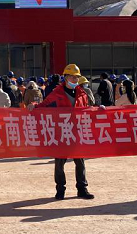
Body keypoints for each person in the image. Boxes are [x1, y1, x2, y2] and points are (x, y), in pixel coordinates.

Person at [33, 64, 94, 200]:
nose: (75, 80)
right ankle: (60, 189)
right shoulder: (57, 93)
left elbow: (87, 109)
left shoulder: (82, 93)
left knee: (80, 161)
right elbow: (44, 105)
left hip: (77, 131)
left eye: (77, 77)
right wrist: (34, 106)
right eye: (72, 77)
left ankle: (82, 189)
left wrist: (98, 109)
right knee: (59, 162)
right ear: (65, 77)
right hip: (62, 131)